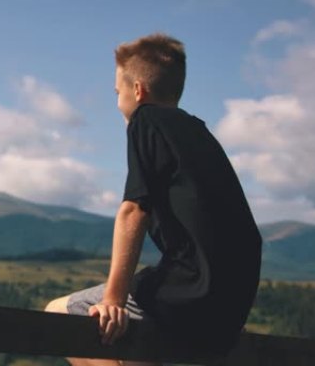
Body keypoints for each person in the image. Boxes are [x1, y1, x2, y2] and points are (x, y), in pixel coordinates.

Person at [45, 33, 262, 366]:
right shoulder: (199, 132)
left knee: (60, 314)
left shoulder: (145, 119)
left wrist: (113, 300)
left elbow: (133, 210)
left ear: (138, 91)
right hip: (230, 303)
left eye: (118, 93)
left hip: (189, 289)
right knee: (139, 342)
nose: (118, 104)